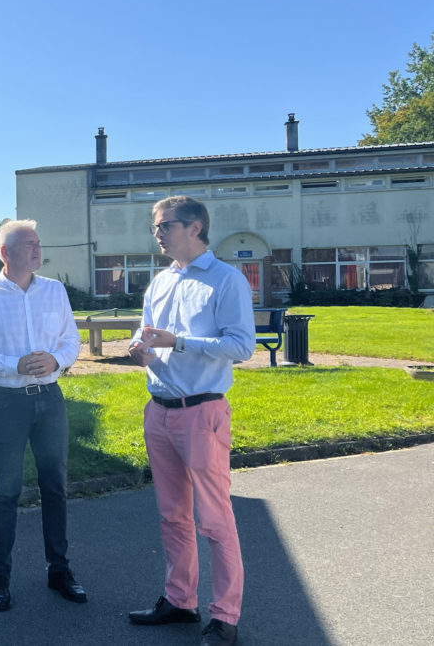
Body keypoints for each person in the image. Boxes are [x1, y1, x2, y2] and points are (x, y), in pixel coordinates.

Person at [126, 197, 255, 646]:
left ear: (195, 226)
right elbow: (146, 333)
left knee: (215, 521)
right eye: (155, 227)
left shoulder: (226, 280)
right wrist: (139, 348)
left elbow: (242, 346)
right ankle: (180, 601)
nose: (157, 234)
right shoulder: (160, 282)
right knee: (172, 516)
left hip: (202, 412)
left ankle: (225, 617)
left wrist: (178, 342)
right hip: (159, 409)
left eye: (165, 226)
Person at [0, 219, 84, 612]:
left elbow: (71, 340)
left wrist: (57, 359)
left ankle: (59, 570)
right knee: (7, 491)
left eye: (37, 243)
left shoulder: (54, 291)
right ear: (4, 253)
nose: (36, 249)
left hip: (50, 399)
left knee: (56, 487)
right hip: (5, 403)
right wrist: (15, 365)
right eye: (28, 244)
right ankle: (0, 575)